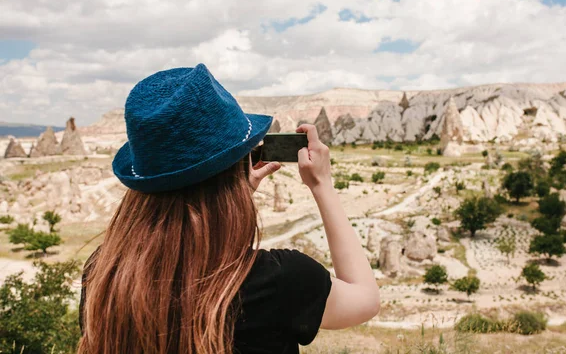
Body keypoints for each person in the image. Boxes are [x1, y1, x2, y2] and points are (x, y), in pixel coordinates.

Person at [78, 64, 380, 354]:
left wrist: (228, 189)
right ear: (237, 170)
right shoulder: (278, 281)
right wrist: (322, 185)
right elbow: (364, 298)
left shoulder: (105, 275)